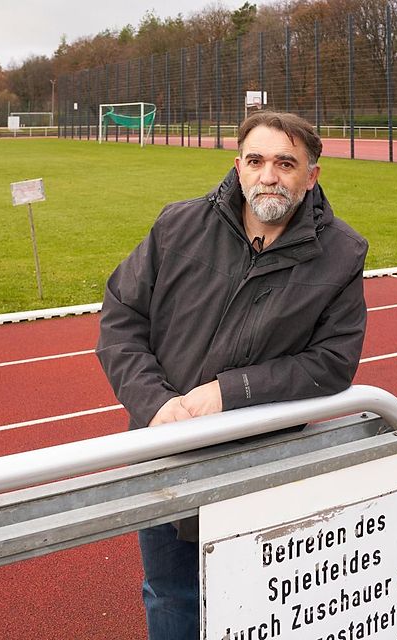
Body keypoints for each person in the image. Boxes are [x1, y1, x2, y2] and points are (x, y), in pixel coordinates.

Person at [96, 111, 368, 640]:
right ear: (238, 167)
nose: (269, 175)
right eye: (257, 160)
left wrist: (231, 392)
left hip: (259, 458)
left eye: (286, 163)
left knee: (257, 599)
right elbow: (121, 319)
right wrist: (155, 404)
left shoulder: (341, 254)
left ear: (311, 175)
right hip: (162, 445)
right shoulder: (177, 225)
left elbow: (332, 362)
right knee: (171, 593)